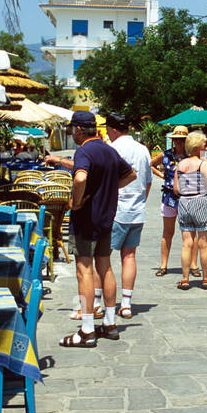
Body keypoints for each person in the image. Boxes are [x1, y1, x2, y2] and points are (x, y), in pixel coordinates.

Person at [59, 110, 136, 348]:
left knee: (84, 271)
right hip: (106, 219)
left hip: (86, 221)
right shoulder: (109, 150)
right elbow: (130, 175)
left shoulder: (84, 151)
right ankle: (110, 324)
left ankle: (87, 329)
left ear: (79, 130)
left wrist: (78, 200)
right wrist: (109, 189)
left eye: (73, 129)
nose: (72, 133)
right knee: (106, 268)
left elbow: (80, 178)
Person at [104, 110, 152, 318]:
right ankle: (126, 303)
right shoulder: (143, 150)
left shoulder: (111, 150)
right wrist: (141, 201)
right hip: (137, 210)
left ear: (113, 129)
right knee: (129, 256)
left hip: (115, 210)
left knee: (103, 258)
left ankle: (100, 303)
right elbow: (148, 182)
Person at [151, 127, 199, 277]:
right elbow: (150, 164)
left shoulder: (192, 156)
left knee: (191, 233)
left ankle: (194, 265)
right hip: (169, 197)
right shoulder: (165, 155)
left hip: (188, 197)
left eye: (182, 139)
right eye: (176, 139)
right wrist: (163, 176)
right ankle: (164, 265)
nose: (178, 142)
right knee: (168, 232)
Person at [174, 131, 207, 289]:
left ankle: (185, 279)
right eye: (204, 144)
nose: (206, 146)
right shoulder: (203, 164)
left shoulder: (180, 164)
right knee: (203, 244)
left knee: (187, 244)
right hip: (200, 201)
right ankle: (205, 278)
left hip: (184, 203)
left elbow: (176, 189)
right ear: (197, 147)